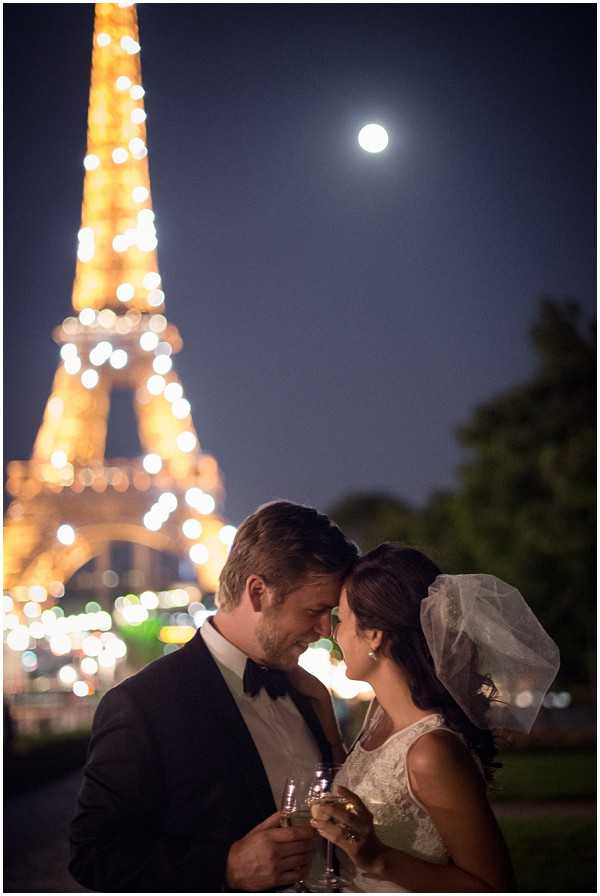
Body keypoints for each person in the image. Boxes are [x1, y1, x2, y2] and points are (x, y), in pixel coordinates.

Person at [69, 500, 358, 892]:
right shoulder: (143, 705)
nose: (325, 629)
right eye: (314, 611)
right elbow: (93, 857)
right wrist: (225, 869)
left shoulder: (307, 691)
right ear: (258, 592)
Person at [310, 544, 560, 892]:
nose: (332, 634)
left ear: (374, 634)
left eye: (341, 619)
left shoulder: (432, 751)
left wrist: (377, 858)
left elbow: (492, 886)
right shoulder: (379, 715)